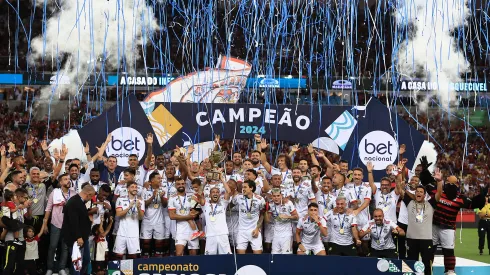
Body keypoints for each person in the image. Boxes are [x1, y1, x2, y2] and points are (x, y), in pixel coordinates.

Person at [43, 173, 76, 275]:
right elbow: (48, 208)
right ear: (60, 182)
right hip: (55, 223)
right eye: (65, 179)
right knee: (52, 246)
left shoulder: (74, 193)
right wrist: (44, 224)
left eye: (69, 179)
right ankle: (50, 268)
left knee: (65, 248)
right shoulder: (55, 192)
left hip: (68, 225)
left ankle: (61, 268)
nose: (68, 181)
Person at [62, 184, 96, 275]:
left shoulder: (80, 202)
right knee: (77, 263)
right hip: (76, 239)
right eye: (91, 196)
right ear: (88, 194)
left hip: (83, 237)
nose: (91, 199)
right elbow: (73, 222)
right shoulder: (73, 202)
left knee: (86, 260)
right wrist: (78, 237)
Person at [168, 176, 200, 256]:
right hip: (180, 229)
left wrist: (193, 213)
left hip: (193, 229)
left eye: (182, 183)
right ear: (175, 186)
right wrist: (188, 217)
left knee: (193, 254)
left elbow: (197, 211)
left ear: (185, 184)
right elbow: (172, 216)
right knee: (179, 254)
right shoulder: (172, 198)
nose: (181, 185)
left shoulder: (191, 196)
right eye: (178, 184)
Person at [406, 186, 434, 275]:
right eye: (417, 191)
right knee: (411, 264)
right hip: (411, 238)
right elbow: (400, 190)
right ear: (414, 194)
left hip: (426, 239)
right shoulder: (409, 203)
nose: (418, 193)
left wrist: (439, 181)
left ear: (424, 195)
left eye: (421, 192)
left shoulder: (430, 204)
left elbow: (438, 194)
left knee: (427, 264)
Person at [232, 180, 266, 254]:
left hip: (254, 230)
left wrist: (257, 228)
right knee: (240, 257)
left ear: (251, 188)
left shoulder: (260, 199)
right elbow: (230, 205)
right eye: (242, 187)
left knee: (258, 256)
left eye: (245, 187)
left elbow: (262, 214)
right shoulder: (238, 198)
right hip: (242, 231)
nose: (243, 189)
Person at [201, 177, 232, 255]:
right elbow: (199, 193)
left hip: (223, 234)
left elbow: (228, 191)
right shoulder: (206, 205)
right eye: (213, 192)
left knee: (226, 258)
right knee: (209, 259)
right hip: (210, 235)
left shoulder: (223, 203)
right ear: (210, 195)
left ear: (219, 194)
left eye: (217, 192)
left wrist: (222, 179)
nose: (215, 193)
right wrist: (204, 183)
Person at [114, 181, 145, 259]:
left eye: (136, 187)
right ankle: (118, 271)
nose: (135, 189)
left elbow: (141, 217)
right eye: (132, 187)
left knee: (133, 257)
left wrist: (138, 208)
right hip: (122, 232)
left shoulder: (141, 200)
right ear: (127, 189)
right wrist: (129, 207)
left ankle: (129, 271)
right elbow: (118, 214)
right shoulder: (120, 199)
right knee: (119, 256)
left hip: (133, 233)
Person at [140, 171, 167, 258]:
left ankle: (158, 266)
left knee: (159, 246)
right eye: (158, 178)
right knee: (146, 245)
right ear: (152, 180)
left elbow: (165, 205)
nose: (160, 180)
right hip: (147, 221)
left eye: (161, 178)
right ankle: (145, 266)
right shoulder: (145, 190)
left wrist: (162, 197)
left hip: (159, 221)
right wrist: (152, 196)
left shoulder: (163, 189)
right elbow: (144, 205)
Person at [266, 188, 298, 254]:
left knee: (286, 256)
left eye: (278, 196)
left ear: (281, 196)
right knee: (274, 256)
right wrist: (266, 210)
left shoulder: (288, 203)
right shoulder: (271, 205)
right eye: (274, 196)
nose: (276, 198)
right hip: (275, 235)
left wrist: (288, 216)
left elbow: (296, 217)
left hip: (287, 235)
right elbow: (267, 220)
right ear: (272, 196)